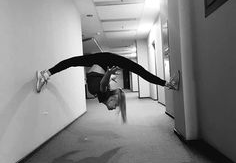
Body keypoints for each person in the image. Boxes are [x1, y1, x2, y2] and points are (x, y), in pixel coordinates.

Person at [36, 52, 180, 123]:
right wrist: (109, 74)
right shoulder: (102, 93)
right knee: (138, 70)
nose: (113, 107)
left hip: (103, 63)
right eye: (116, 104)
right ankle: (167, 84)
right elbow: (103, 84)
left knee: (71, 62)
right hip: (105, 62)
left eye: (114, 105)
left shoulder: (100, 94)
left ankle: (46, 74)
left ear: (109, 99)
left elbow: (103, 85)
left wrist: (109, 75)